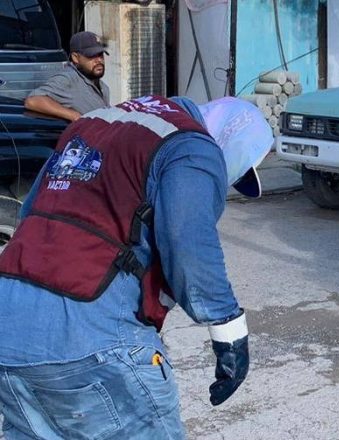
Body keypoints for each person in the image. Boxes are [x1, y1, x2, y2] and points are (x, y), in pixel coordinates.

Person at [0, 94, 273, 438]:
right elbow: (187, 240)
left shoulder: (92, 123)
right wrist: (229, 333)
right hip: (90, 341)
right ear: (228, 140)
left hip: (8, 334)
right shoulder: (192, 145)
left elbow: (31, 215)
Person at [24, 31, 110, 121]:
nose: (99, 60)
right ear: (75, 58)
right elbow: (33, 101)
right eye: (91, 55)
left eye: (100, 55)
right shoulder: (68, 80)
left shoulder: (104, 87)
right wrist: (74, 116)